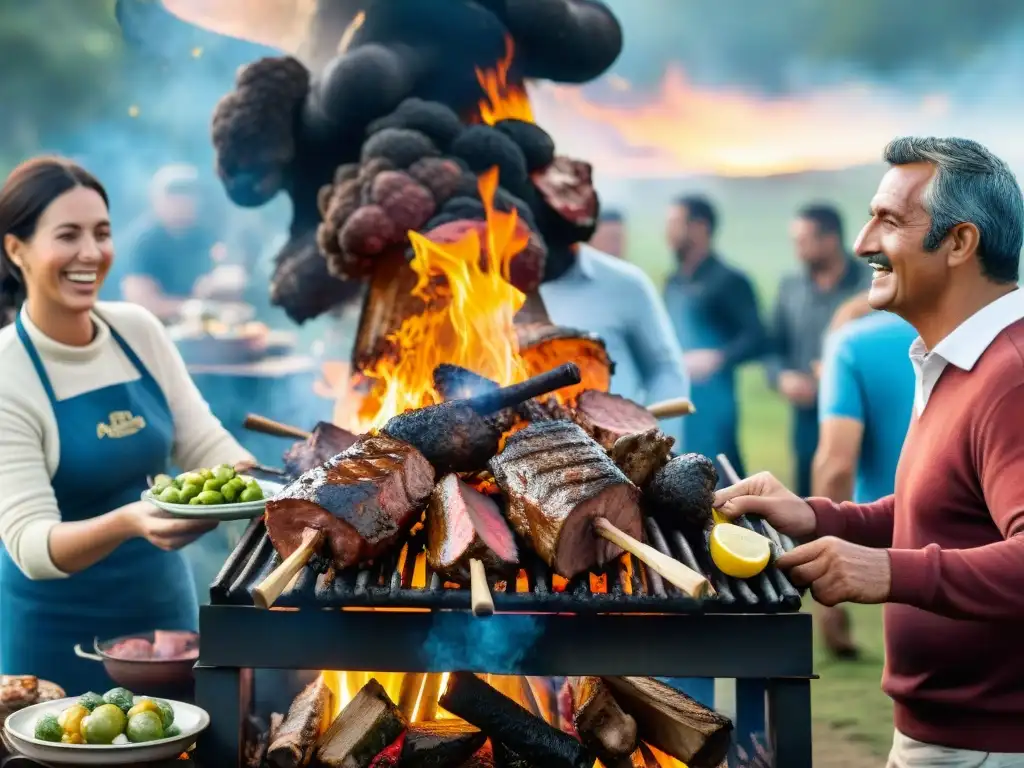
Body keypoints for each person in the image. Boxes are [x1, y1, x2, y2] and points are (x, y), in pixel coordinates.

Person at [716, 137, 1024, 767]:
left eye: (888, 220)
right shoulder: (957, 362)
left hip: (987, 747)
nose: (862, 244)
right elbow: (942, 512)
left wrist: (887, 572)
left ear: (960, 243)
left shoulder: (1011, 376)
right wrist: (820, 517)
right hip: (948, 737)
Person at [0, 157, 254, 691]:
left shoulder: (138, 330)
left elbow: (205, 442)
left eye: (102, 233)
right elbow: (31, 545)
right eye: (68, 235)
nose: (90, 253)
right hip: (55, 643)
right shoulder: (8, 371)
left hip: (165, 624)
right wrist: (132, 521)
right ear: (15, 248)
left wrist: (254, 481)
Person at [812, 291, 917, 658]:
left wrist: (826, 595)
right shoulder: (950, 330)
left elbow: (836, 465)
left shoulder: (848, 345)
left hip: (899, 533)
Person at [540, 242, 690, 447]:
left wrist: (660, 446)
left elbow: (664, 369)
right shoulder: (490, 291)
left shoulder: (625, 283)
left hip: (621, 449)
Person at [766, 204, 871, 497]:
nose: (797, 250)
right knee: (808, 497)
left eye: (804, 241)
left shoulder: (870, 284)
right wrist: (782, 378)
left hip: (861, 414)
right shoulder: (789, 287)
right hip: (807, 415)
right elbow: (773, 348)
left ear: (831, 239)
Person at [663, 195, 766, 478]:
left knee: (720, 482)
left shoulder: (729, 281)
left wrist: (718, 358)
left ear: (699, 227)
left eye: (674, 223)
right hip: (677, 405)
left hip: (715, 406)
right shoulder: (673, 282)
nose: (667, 232)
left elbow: (758, 337)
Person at [119, 164, 224, 321]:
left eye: (188, 196)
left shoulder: (204, 236)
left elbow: (217, 279)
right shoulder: (142, 242)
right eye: (174, 197)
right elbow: (141, 303)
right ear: (156, 200)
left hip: (201, 328)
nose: (182, 204)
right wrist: (191, 307)